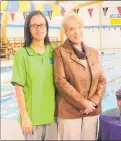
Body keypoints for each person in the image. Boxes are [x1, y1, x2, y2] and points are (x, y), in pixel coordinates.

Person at [53, 13, 107, 140]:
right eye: (71, 29)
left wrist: (93, 102)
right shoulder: (59, 52)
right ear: (66, 32)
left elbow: (102, 80)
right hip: (69, 111)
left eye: (79, 27)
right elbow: (60, 81)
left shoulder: (94, 52)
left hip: (91, 110)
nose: (76, 32)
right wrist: (83, 104)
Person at [11, 10, 58, 140]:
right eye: (35, 25)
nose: (39, 28)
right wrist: (24, 117)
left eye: (42, 25)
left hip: (52, 116)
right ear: (28, 28)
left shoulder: (53, 50)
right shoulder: (22, 54)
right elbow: (18, 87)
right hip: (32, 117)